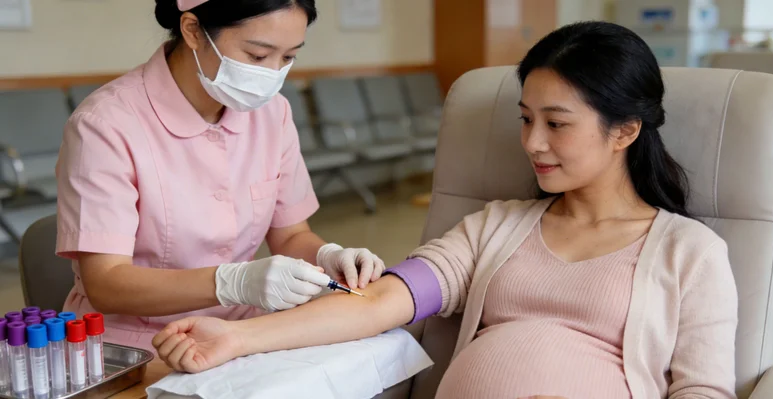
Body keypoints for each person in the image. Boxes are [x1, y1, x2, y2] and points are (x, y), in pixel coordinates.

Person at [152, 21, 738, 399]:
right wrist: (238, 339)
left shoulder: (689, 252)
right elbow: (377, 302)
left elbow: (703, 391)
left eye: (556, 124)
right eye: (525, 119)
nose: (532, 143)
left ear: (625, 131)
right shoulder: (496, 227)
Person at [55, 0, 385, 351]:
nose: (273, 74)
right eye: (258, 55)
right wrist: (232, 283)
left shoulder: (273, 113)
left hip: (242, 332)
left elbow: (290, 235)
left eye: (288, 57)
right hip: (136, 345)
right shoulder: (105, 125)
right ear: (193, 31)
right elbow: (106, 283)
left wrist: (327, 256)